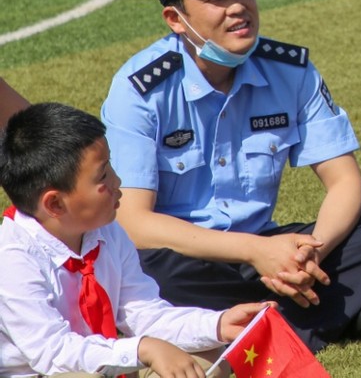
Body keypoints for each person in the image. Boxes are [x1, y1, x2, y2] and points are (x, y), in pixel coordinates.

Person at [100, 0, 361, 353]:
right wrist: (254, 252)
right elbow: (134, 222)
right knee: (144, 267)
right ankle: (315, 312)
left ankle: (243, 321)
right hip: (187, 256)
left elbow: (346, 183)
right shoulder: (141, 89)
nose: (238, 5)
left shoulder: (291, 70)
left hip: (269, 251)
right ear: (175, 19)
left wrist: (308, 253)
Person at [0, 102, 271, 377]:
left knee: (206, 356)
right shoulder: (12, 259)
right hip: (47, 372)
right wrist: (142, 349)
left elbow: (145, 314)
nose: (118, 181)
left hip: (105, 361)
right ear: (55, 204)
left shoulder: (106, 231)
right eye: (103, 175)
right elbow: (53, 353)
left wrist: (219, 324)